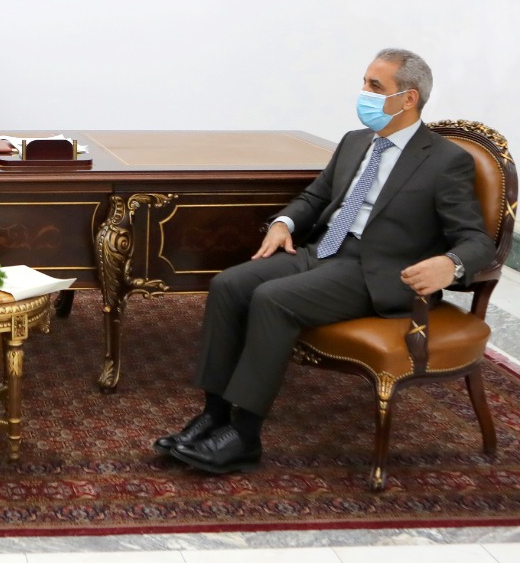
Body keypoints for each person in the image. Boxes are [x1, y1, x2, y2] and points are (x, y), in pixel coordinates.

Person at [155, 48, 494, 474]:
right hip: (323, 249)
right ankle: (214, 415)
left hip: (374, 272)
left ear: (408, 98)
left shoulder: (445, 161)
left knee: (273, 299)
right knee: (228, 285)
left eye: (375, 86)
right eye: (364, 82)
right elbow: (316, 197)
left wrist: (450, 263)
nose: (363, 92)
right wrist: (284, 223)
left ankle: (244, 435)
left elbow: (476, 239)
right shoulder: (355, 142)